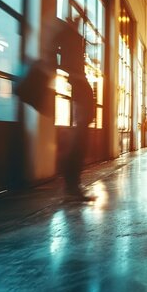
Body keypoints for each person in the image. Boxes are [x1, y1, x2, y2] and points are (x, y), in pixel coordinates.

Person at [53, 17, 96, 201]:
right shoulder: (70, 37)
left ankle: (73, 182)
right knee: (80, 135)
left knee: (81, 132)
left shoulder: (72, 37)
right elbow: (67, 63)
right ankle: (72, 183)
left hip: (80, 85)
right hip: (80, 85)